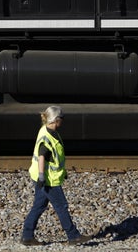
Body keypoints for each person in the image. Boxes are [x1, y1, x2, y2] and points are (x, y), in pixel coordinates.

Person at [21, 105, 90, 246]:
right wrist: (42, 177)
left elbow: (54, 158)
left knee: (39, 206)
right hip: (48, 180)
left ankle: (27, 236)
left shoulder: (48, 130)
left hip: (44, 177)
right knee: (61, 205)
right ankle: (73, 236)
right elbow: (42, 157)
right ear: (56, 119)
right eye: (62, 118)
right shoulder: (47, 137)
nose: (63, 121)